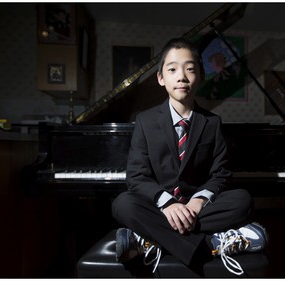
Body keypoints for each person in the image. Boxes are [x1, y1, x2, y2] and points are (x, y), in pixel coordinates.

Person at [111, 37, 268, 276]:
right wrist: (167, 203)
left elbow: (221, 174)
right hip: (161, 206)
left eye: (190, 69)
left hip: (198, 210)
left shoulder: (212, 123)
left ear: (200, 77)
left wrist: (198, 201)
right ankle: (212, 245)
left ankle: (148, 240)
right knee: (123, 204)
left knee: (242, 200)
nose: (182, 76)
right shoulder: (145, 120)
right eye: (172, 69)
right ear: (161, 78)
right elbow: (136, 176)